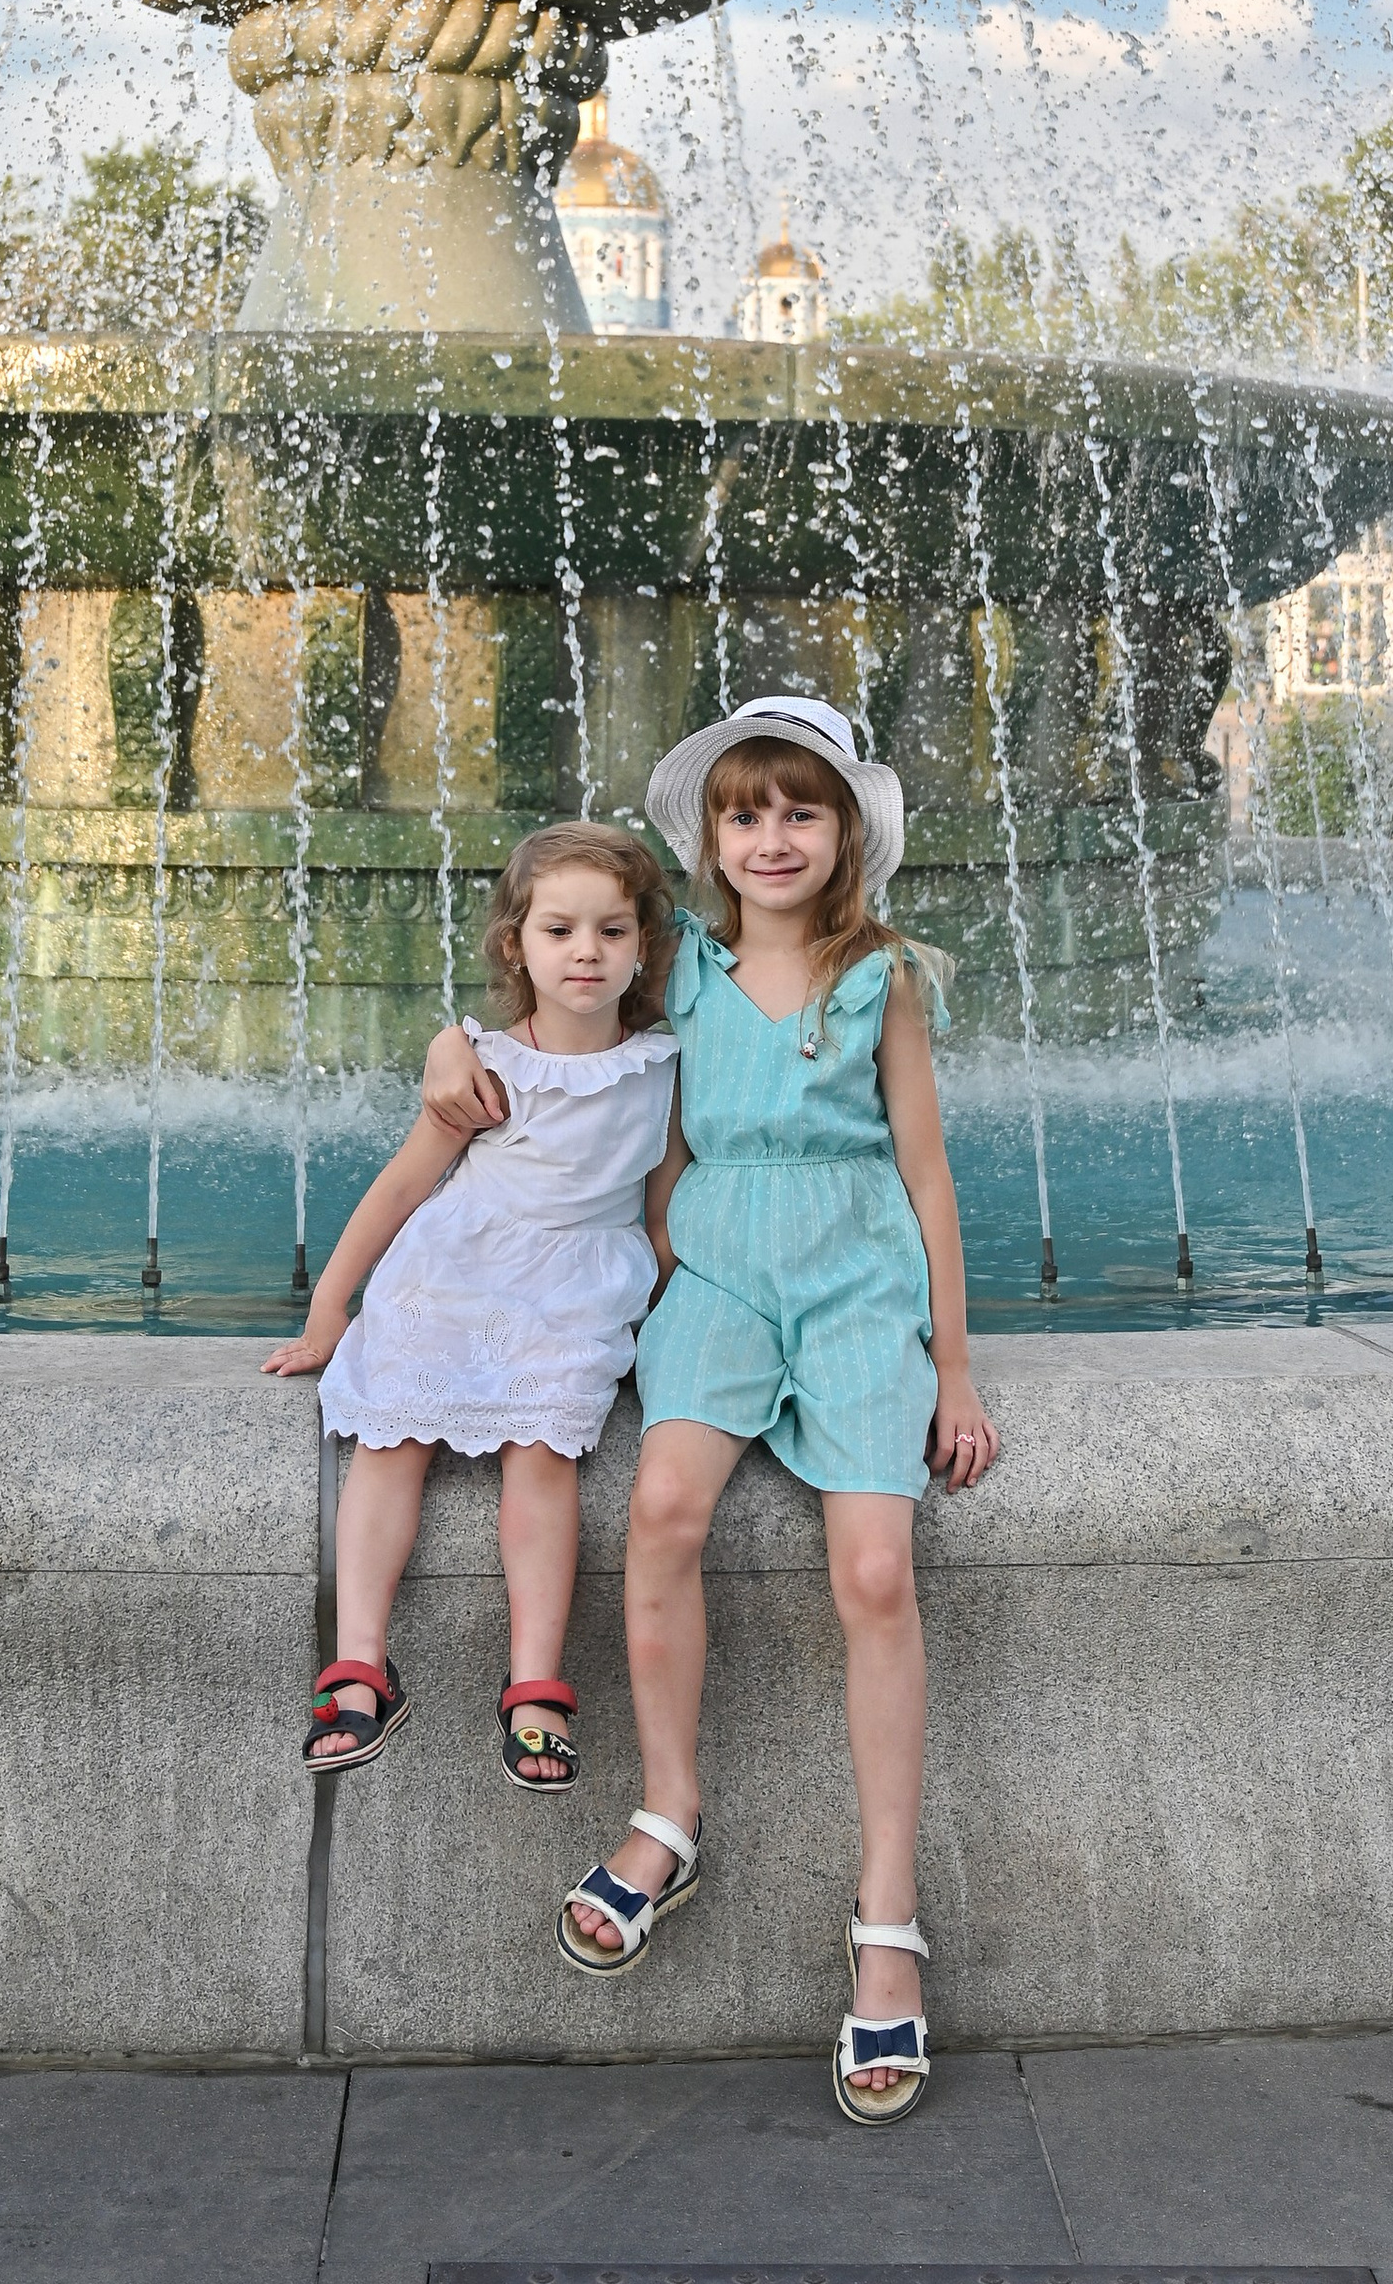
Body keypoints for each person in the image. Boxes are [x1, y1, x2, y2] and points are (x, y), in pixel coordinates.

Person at [418, 693, 998, 2126]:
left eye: (803, 810)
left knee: (874, 1569)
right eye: (748, 813)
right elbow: (558, 1007)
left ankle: (886, 1919)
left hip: (860, 1285)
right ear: (713, 835)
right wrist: (449, 1052)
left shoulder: (885, 977)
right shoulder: (682, 971)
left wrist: (958, 1366)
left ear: (846, 828)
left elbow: (926, 1178)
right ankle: (668, 1813)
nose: (775, 837)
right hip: (721, 1277)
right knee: (665, 1507)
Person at [263, 822, 681, 1790]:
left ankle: (535, 1682)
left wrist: (659, 1326)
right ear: (515, 944)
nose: (586, 950)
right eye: (560, 928)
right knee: (391, 1436)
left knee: (543, 1450)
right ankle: (360, 1664)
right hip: (456, 1267)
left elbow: (662, 1217)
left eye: (612, 930)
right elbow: (404, 1187)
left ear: (644, 946)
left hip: (576, 1286)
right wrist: (332, 1308)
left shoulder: (659, 1067)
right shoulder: (485, 1060)